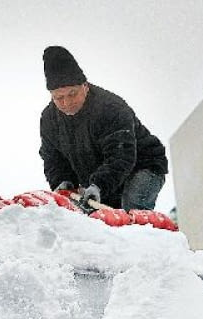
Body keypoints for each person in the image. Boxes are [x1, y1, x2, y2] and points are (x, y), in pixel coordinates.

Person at [39, 46, 168, 211]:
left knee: (132, 211)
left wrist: (99, 185)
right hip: (99, 177)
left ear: (85, 86)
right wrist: (62, 181)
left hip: (141, 166)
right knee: (99, 222)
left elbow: (121, 156)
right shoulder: (49, 120)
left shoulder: (110, 108)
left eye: (72, 94)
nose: (66, 103)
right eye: (59, 97)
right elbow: (53, 158)